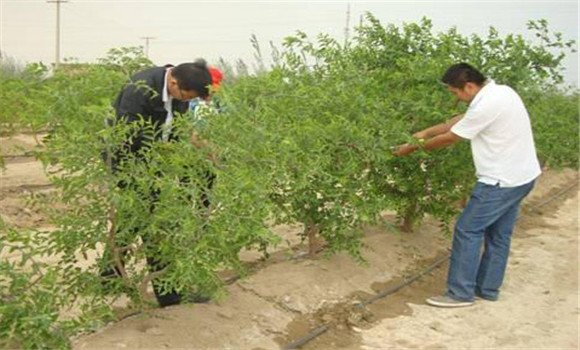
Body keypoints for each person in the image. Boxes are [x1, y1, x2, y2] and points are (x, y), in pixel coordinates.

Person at [394, 63, 541, 307]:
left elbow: (453, 137)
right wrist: (425, 133)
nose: (456, 97)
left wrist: (411, 148)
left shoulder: (489, 103)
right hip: (522, 176)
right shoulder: (502, 92)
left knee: (467, 230)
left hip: (499, 181)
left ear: (469, 86)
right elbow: (461, 120)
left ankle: (460, 293)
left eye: (455, 92)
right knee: (499, 234)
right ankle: (488, 289)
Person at [104, 61, 213, 307]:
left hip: (155, 161)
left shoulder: (180, 94)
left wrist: (178, 162)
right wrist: (153, 159)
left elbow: (177, 132)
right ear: (173, 83)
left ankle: (108, 276)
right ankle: (169, 294)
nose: (185, 100)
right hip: (127, 160)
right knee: (156, 221)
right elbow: (127, 133)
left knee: (133, 216)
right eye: (186, 96)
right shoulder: (140, 88)